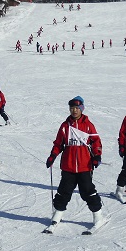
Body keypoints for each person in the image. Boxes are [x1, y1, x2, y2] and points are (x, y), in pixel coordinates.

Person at [46, 96, 103, 228]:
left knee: (87, 190)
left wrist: (97, 156)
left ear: (81, 109)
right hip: (68, 165)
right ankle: (57, 214)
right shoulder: (65, 126)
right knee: (64, 190)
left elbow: (96, 142)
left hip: (85, 165)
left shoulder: (88, 125)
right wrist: (52, 156)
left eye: (77, 108)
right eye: (72, 108)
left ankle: (98, 216)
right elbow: (58, 144)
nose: (74, 110)